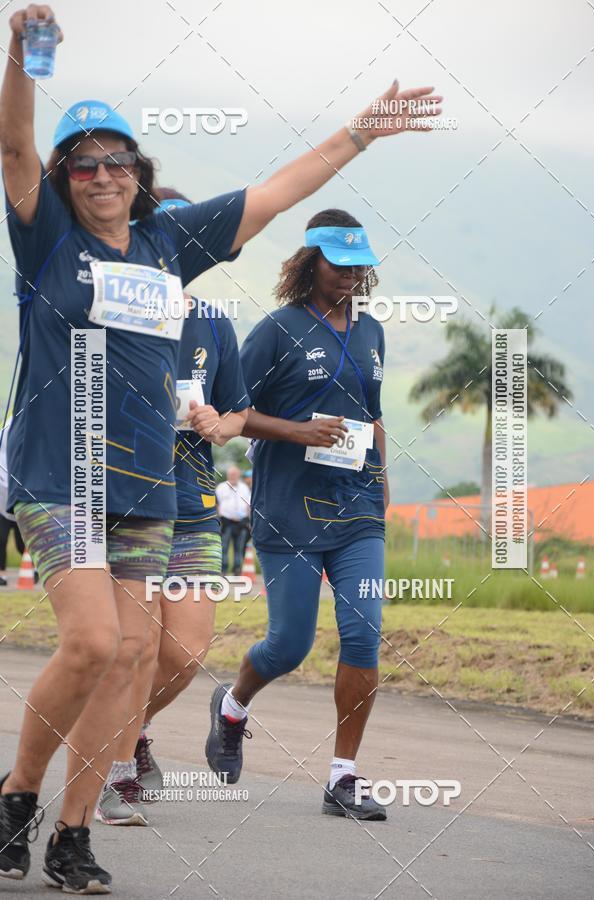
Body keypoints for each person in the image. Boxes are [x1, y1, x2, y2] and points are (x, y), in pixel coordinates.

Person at [0, 6, 441, 889]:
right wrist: (20, 59)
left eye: (115, 160)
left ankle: (72, 835)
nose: (99, 174)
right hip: (60, 478)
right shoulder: (47, 241)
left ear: (137, 172)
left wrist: (361, 133)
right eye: (81, 163)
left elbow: (278, 191)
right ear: (63, 178)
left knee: (131, 658)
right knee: (92, 644)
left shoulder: (170, 242)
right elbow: (14, 150)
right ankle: (17, 797)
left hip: (146, 489)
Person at [205, 209, 391, 821]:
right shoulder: (276, 331)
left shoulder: (371, 332)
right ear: (310, 262)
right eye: (340, 267)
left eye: (359, 268)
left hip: (358, 508)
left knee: (364, 633)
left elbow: (373, 412)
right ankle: (233, 706)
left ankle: (344, 777)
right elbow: (231, 411)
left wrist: (382, 480)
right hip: (288, 508)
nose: (350, 278)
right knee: (289, 645)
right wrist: (298, 431)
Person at [94, 193, 249, 826]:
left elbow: (239, 410)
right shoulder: (106, 312)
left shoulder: (215, 322)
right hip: (125, 502)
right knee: (135, 647)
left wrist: (220, 420)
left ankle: (126, 733)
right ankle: (116, 771)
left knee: (183, 654)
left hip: (194, 505)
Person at [216, 465, 251, 574]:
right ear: (228, 475)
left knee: (239, 548)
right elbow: (217, 504)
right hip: (226, 521)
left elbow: (248, 504)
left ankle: (237, 569)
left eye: (235, 474)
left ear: (238, 474)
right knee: (224, 547)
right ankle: (224, 570)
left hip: (241, 522)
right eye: (231, 474)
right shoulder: (221, 487)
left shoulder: (244, 487)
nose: (233, 476)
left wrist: (247, 519)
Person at [0, 512, 25, 586]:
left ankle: (33, 568)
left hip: (17, 511)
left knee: (21, 545)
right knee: (1, 540)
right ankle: (2, 574)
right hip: (3, 511)